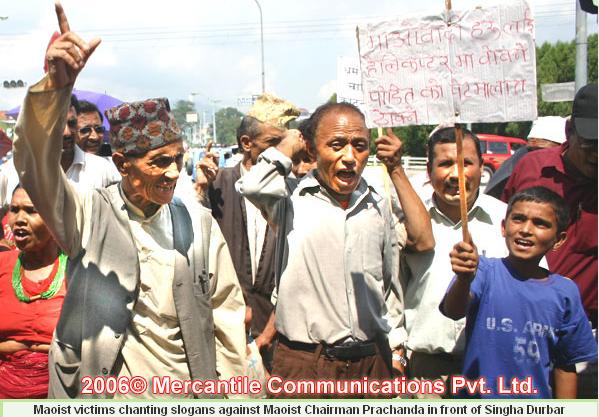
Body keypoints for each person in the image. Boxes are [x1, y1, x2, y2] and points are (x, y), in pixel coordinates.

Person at [13, 3, 246, 398]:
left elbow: (226, 314)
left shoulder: (199, 224)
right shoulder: (87, 214)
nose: (173, 173)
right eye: (159, 162)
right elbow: (34, 163)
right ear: (122, 164)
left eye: (178, 160)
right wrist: (55, 90)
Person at [237, 102, 434, 397]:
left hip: (371, 362)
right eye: (337, 145)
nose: (350, 158)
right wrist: (289, 145)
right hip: (305, 364)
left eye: (359, 146)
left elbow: (389, 286)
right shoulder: (290, 200)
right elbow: (252, 185)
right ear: (312, 150)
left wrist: (396, 352)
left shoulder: (377, 205)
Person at [442, 186, 598, 398]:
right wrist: (463, 278)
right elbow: (453, 311)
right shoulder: (483, 270)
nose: (526, 229)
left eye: (540, 223)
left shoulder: (565, 292)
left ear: (559, 239)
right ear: (503, 227)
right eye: (518, 219)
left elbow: (566, 364)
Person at [502, 84, 597, 398]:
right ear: (569, 131)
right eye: (590, 144)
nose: (597, 154)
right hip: (518, 323)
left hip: (584, 338)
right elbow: (497, 227)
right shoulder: (532, 167)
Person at [400, 126, 508, 398]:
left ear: (481, 167)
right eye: (445, 164)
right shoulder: (410, 223)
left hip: (494, 369)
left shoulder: (507, 220)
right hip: (428, 371)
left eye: (466, 163)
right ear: (429, 170)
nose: (455, 175)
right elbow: (391, 294)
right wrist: (396, 352)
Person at [196, 94, 300, 370]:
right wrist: (200, 189)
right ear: (246, 143)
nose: (280, 151)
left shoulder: (296, 189)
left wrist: (267, 335)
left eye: (284, 142)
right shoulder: (218, 184)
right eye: (273, 143)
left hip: (278, 329)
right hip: (226, 327)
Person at [0, 185, 67, 398]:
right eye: (14, 210)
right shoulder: (2, 264)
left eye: (31, 211)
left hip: (61, 393)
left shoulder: (78, 271)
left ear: (56, 218)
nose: (19, 219)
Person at [485, 116, 567, 199]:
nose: (535, 157)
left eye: (543, 152)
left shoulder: (566, 179)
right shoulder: (517, 165)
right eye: (531, 151)